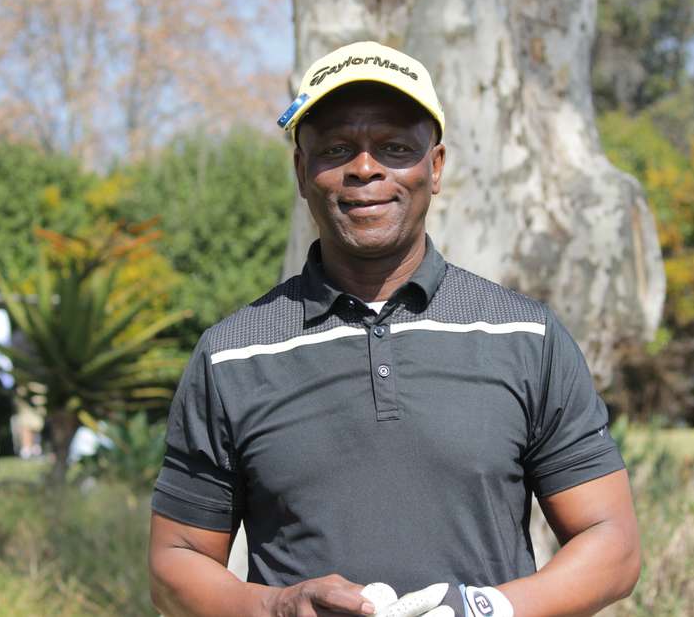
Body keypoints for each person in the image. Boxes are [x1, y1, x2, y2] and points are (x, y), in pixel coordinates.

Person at [149, 41, 640, 617]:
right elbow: (175, 562)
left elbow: (613, 545)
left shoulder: (525, 337)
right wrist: (279, 608)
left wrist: (483, 609)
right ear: (302, 171)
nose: (365, 168)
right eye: (336, 149)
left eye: (395, 147)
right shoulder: (232, 355)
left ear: (435, 167)